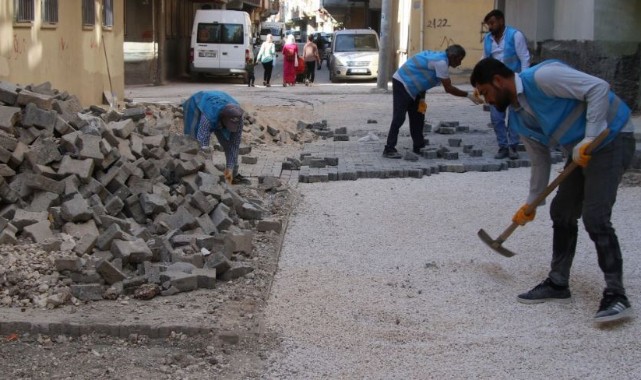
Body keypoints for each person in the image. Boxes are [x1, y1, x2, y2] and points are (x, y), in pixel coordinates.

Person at [470, 58, 636, 323]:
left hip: (611, 137)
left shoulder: (544, 77)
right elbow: (540, 159)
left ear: (498, 81)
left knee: (595, 217)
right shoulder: (518, 117)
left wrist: (591, 136)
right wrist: (531, 204)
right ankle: (558, 283)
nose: (487, 100)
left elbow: (598, 88)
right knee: (562, 211)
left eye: (486, 92)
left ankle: (617, 295)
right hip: (581, 149)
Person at [383, 44, 483, 158]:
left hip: (415, 87)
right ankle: (389, 149)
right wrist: (468, 95)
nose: (460, 63)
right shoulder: (441, 63)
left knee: (418, 116)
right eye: (459, 60)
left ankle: (418, 146)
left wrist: (422, 99)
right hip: (403, 82)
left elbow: (423, 77)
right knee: (399, 117)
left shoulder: (440, 57)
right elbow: (449, 88)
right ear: (453, 56)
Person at [481, 9, 531, 160]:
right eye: (488, 24)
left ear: (501, 21)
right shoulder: (488, 40)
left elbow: (525, 59)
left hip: (514, 81)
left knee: (515, 115)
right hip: (495, 85)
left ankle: (513, 147)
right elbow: (484, 60)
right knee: (496, 117)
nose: (490, 26)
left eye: (492, 23)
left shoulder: (515, 36)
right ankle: (503, 146)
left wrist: (523, 80)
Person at [183, 91, 250, 185]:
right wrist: (209, 170)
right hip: (197, 105)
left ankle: (232, 174)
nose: (230, 128)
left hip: (221, 110)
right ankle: (192, 171)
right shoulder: (208, 117)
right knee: (192, 141)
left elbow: (234, 144)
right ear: (222, 119)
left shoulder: (238, 118)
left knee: (228, 143)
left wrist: (230, 171)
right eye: (228, 125)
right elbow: (202, 143)